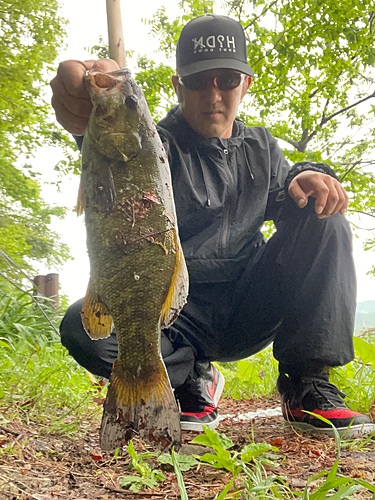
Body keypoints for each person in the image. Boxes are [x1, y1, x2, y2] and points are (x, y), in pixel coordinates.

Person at [51, 14, 375, 438]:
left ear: (246, 83)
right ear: (178, 86)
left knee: (325, 220)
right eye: (200, 80)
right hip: (174, 315)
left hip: (249, 306)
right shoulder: (152, 141)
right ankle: (189, 380)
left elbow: (291, 197)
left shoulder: (262, 146)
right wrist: (87, 104)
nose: (214, 93)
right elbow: (112, 147)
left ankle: (306, 385)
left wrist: (309, 174)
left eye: (227, 78)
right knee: (82, 329)